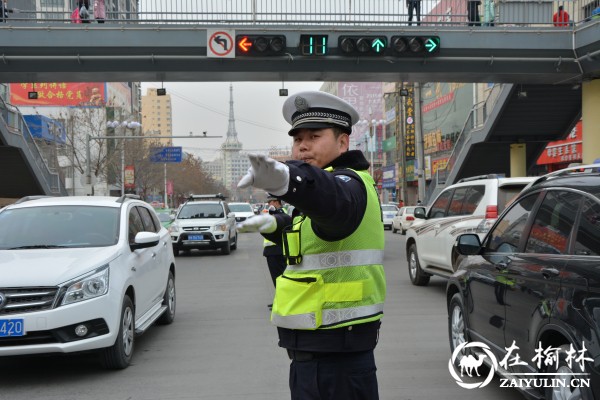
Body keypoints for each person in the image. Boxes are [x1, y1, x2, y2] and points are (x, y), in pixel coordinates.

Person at [237, 91, 386, 400]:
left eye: (314, 136)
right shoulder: (327, 185)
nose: (302, 145)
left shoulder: (348, 183)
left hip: (338, 358)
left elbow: (333, 205)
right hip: (314, 352)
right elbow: (317, 239)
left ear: (343, 143)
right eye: (298, 138)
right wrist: (277, 226)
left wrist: (289, 180)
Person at [262, 195, 287, 295]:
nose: (269, 204)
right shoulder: (271, 213)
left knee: (279, 276)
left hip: (276, 249)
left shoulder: (281, 214)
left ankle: (282, 300)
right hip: (272, 250)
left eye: (270, 202)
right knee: (276, 277)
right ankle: (279, 299)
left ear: (277, 202)